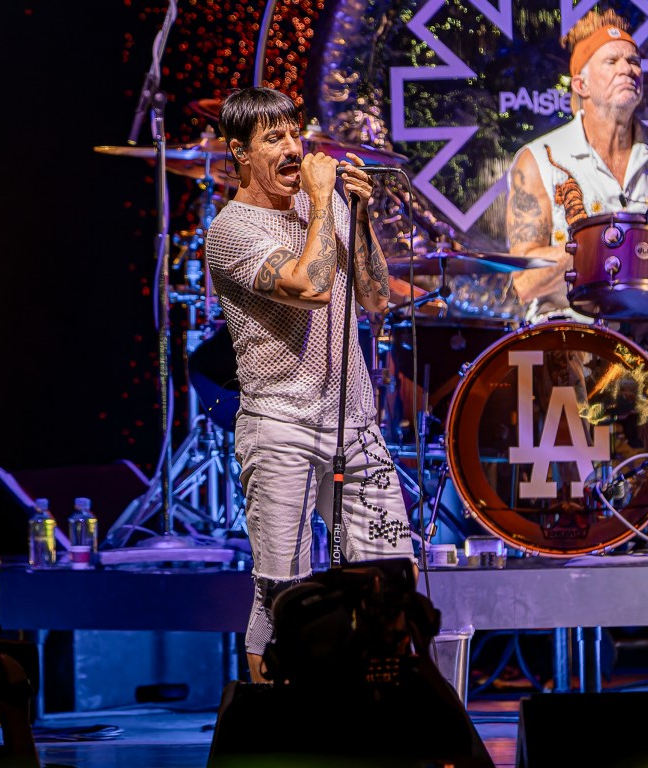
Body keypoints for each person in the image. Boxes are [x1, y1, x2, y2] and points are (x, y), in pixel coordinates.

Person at [202, 87, 415, 683]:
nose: (294, 148)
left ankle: (379, 715)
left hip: (355, 425)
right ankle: (276, 725)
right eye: (274, 138)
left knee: (391, 581)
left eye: (295, 133)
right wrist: (323, 202)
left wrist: (360, 216)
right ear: (240, 153)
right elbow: (311, 287)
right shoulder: (231, 231)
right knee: (282, 598)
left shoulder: (326, 207)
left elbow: (375, 297)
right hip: (280, 430)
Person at [506, 8, 648, 324]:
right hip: (570, 336)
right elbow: (525, 281)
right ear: (581, 85)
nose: (627, 69)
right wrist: (605, 247)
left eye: (634, 61)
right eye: (611, 61)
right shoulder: (539, 159)